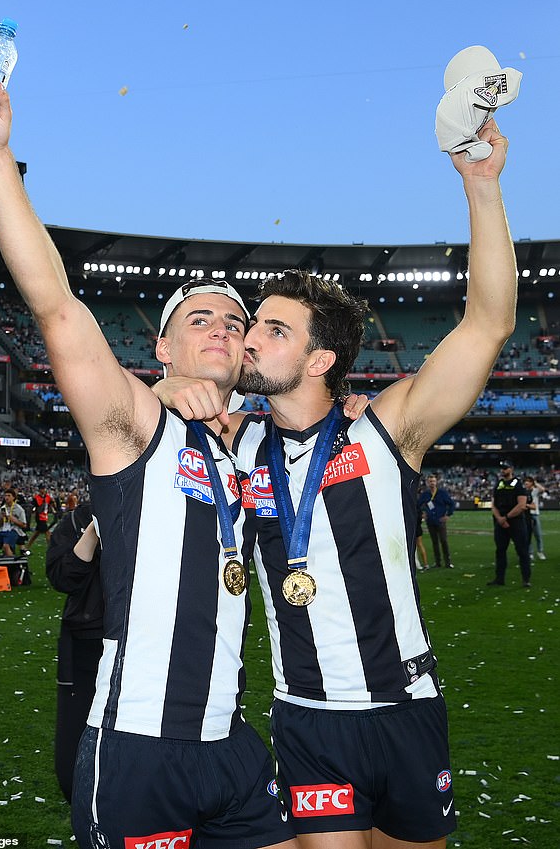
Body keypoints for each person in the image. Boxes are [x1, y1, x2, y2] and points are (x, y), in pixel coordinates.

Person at [0, 62, 297, 849]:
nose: (220, 327)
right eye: (198, 317)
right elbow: (57, 305)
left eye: (234, 322)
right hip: (138, 748)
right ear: (161, 346)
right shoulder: (135, 424)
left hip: (233, 745)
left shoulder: (260, 443)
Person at [156, 117, 517, 848]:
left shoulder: (385, 430)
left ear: (320, 361)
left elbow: (487, 325)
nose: (248, 337)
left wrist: (482, 187)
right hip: (309, 719)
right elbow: (131, 419)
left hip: (405, 707)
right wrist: (164, 391)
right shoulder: (236, 440)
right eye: (253, 324)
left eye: (273, 331)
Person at [46, 502, 103, 804]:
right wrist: (92, 532)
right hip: (85, 645)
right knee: (72, 753)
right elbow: (62, 577)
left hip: (137, 643)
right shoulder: (76, 519)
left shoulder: (146, 510)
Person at [489, 461, 530, 587]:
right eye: (502, 468)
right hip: (501, 522)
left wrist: (505, 518)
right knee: (500, 551)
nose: (503, 470)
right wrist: (500, 519)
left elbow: (522, 505)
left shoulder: (518, 484)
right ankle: (499, 578)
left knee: (522, 551)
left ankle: (526, 579)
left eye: (505, 468)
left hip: (516, 522)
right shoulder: (499, 484)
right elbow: (493, 505)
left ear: (511, 469)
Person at [417, 474, 455, 568]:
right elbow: (417, 505)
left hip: (441, 520)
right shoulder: (425, 494)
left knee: (443, 541)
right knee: (435, 542)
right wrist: (422, 513)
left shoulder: (442, 493)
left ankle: (448, 562)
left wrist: (448, 515)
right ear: (427, 483)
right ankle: (438, 562)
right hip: (430, 521)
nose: (432, 483)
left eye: (433, 481)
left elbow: (451, 504)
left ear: (436, 482)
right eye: (430, 481)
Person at [0, 489, 27, 558]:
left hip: (14, 530)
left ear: (13, 497)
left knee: (6, 546)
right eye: (5, 496)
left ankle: (12, 564)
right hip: (3, 530)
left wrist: (14, 520)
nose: (6, 497)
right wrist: (1, 519)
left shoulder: (19, 509)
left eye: (9, 496)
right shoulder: (2, 508)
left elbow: (24, 525)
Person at [523, 475, 546, 560]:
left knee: (538, 535)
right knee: (528, 535)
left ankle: (540, 551)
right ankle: (530, 553)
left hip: (534, 514)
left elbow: (542, 489)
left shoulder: (534, 491)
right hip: (526, 514)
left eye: (528, 481)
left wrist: (535, 482)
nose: (526, 483)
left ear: (531, 483)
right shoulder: (524, 492)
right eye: (525, 481)